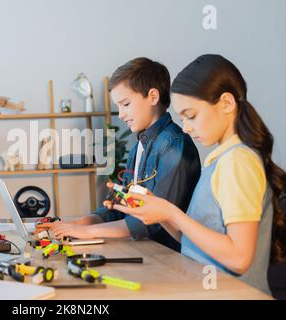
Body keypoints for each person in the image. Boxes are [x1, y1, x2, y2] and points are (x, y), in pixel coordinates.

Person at [113, 54, 286, 294]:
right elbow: (192, 243)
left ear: (226, 103)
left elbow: (239, 257)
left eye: (191, 115)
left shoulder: (238, 161)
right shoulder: (220, 161)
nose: (186, 127)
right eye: (182, 117)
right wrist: (161, 213)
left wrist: (172, 212)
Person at [37, 57, 201, 252]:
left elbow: (153, 220)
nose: (121, 114)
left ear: (153, 97)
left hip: (169, 256)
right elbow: (122, 203)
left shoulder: (174, 145)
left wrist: (91, 232)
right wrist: (87, 221)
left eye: (126, 104)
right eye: (118, 107)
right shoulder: (138, 146)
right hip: (145, 251)